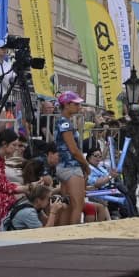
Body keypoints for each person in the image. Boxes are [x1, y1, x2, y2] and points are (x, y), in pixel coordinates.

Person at [48, 93, 89, 225]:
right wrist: (86, 165)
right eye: (76, 104)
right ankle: (74, 233)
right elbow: (74, 150)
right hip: (71, 167)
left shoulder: (62, 121)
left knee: (67, 205)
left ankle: (63, 233)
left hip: (63, 167)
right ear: (66, 105)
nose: (79, 106)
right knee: (77, 205)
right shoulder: (65, 123)